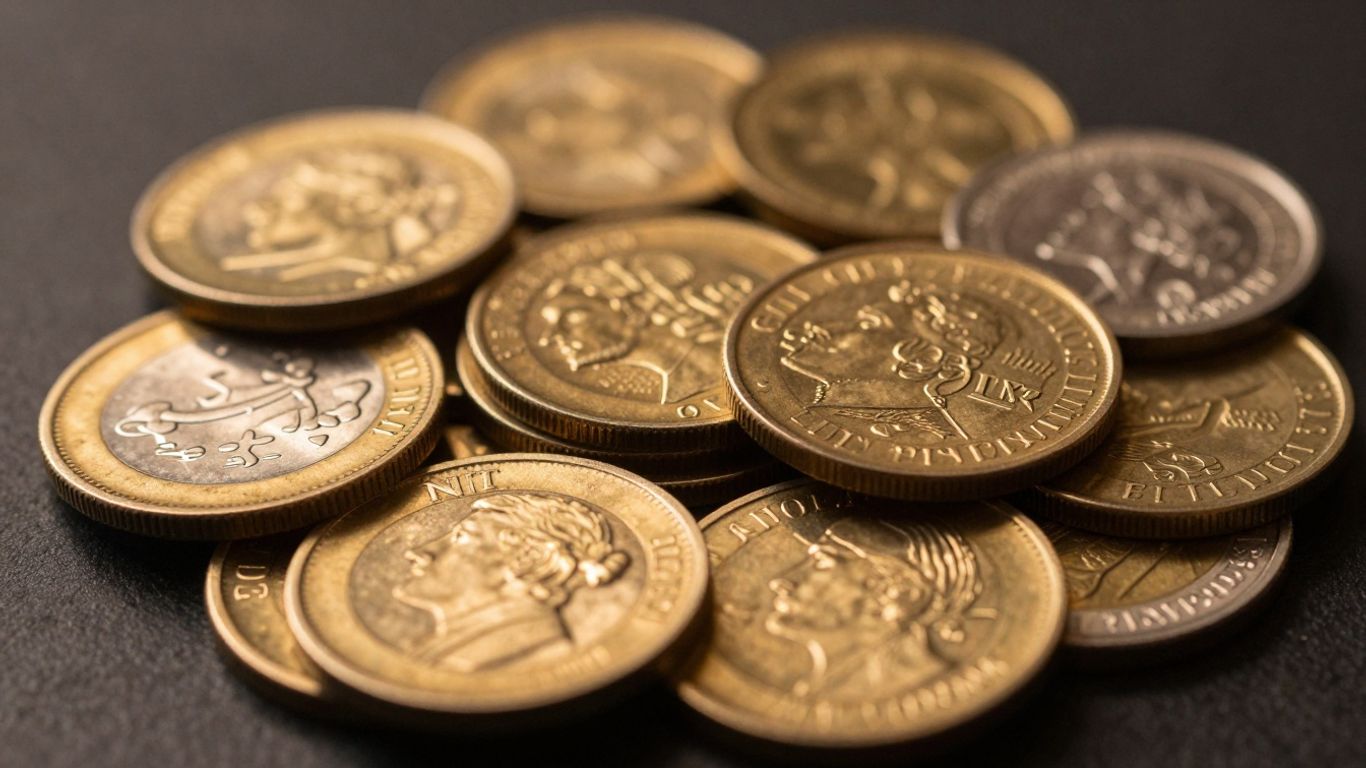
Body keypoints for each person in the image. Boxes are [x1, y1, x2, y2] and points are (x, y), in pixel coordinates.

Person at [392, 492, 630, 672]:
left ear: (530, 559)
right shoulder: (445, 653)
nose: (419, 551)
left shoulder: (495, 659)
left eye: (461, 536)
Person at [763, 517, 984, 699]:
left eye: (821, 562)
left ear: (893, 589)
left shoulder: (911, 683)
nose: (781, 580)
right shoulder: (821, 690)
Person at [780, 281, 1005, 440]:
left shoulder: (928, 437)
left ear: (924, 359)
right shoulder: (826, 414)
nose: (822, 328)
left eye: (868, 324)